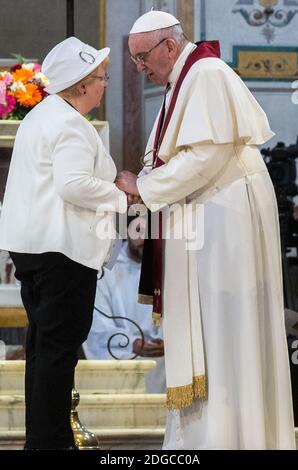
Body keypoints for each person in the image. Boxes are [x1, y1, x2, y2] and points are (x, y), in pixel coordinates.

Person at [115, 10, 296, 449]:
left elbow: (205, 158)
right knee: (209, 331)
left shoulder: (208, 74)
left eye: (142, 58)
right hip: (205, 217)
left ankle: (232, 438)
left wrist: (144, 186)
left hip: (224, 221)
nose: (140, 69)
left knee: (226, 330)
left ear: (169, 47)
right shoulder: (184, 80)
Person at [0, 37, 128, 450]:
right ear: (81, 84)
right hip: (63, 251)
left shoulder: (43, 115)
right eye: (101, 78)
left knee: (43, 348)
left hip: (36, 248)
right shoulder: (70, 123)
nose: (105, 85)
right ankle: (51, 443)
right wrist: (122, 195)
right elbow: (72, 185)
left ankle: (42, 438)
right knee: (58, 350)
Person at [83, 222, 166, 394]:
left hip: (163, 356)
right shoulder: (106, 271)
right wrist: (133, 342)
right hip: (122, 352)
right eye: (138, 230)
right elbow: (96, 324)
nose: (143, 240)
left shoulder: (168, 267)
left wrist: (167, 341)